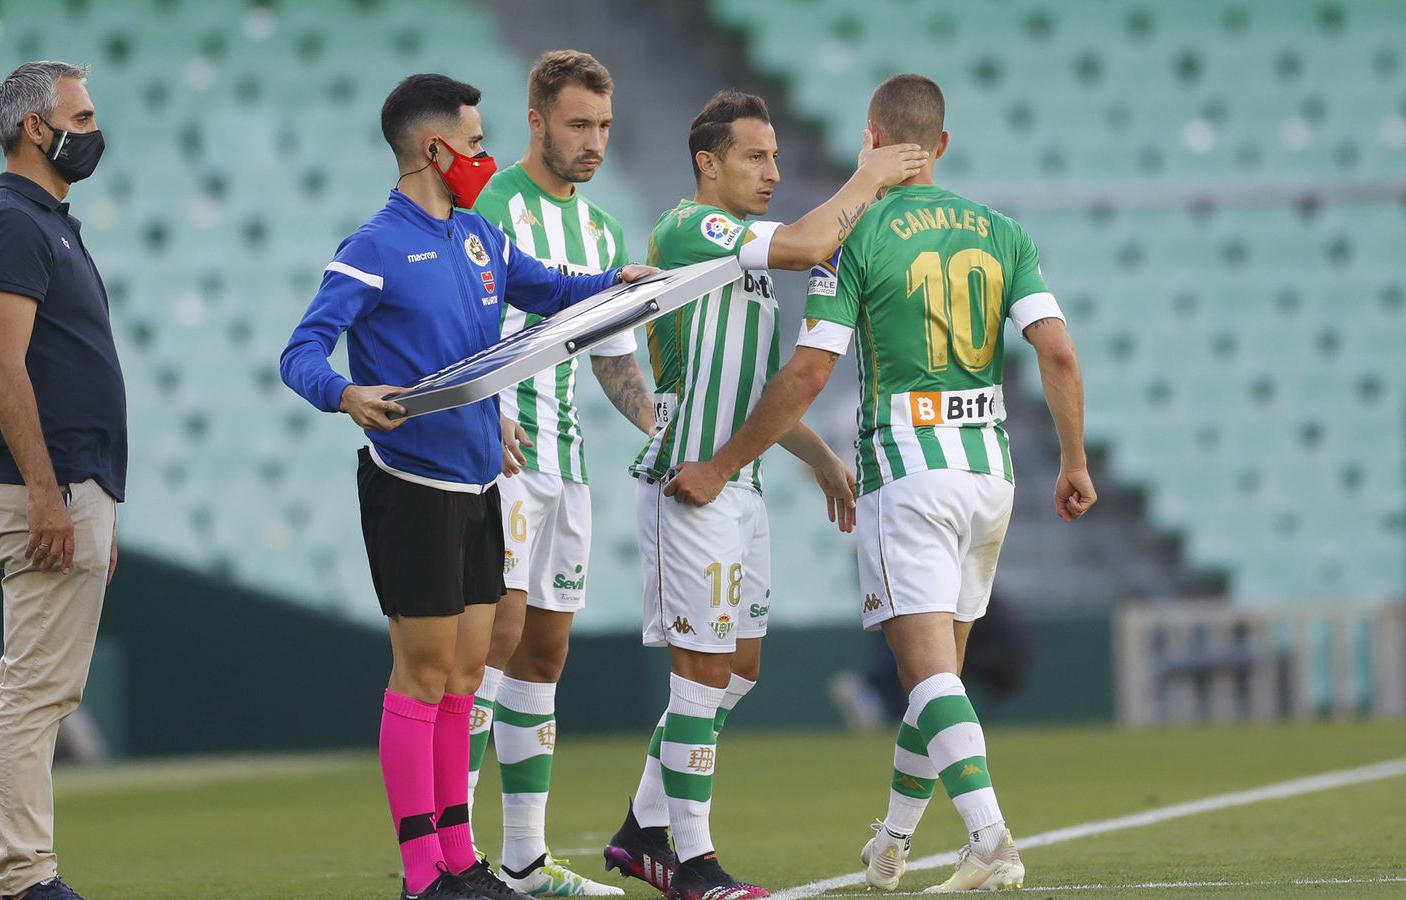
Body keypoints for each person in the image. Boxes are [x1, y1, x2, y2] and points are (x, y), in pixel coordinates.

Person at [663, 73, 1098, 893]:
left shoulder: (854, 237)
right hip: (989, 474)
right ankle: (892, 842)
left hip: (909, 467)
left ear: (872, 139)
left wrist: (724, 461)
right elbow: (1060, 352)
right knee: (940, 682)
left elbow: (808, 373)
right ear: (939, 145)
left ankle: (990, 838)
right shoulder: (1002, 231)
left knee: (928, 677)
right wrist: (1074, 462)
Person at [278, 73, 657, 900]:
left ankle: (461, 859)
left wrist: (619, 284)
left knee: (463, 676)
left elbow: (552, 290)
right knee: (421, 675)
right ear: (433, 148)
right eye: (476, 145)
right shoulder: (373, 246)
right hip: (409, 480)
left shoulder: (481, 238)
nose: (485, 158)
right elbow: (302, 351)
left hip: (481, 478)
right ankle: (423, 874)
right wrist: (344, 394)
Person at [601, 90, 927, 899]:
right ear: (708, 163)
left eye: (777, 156)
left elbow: (752, 389)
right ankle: (694, 864)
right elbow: (815, 239)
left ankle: (643, 828)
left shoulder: (740, 259)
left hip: (737, 484)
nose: (773, 172)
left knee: (737, 671)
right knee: (701, 676)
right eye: (756, 156)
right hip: (693, 483)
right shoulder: (690, 228)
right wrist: (867, 177)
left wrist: (815, 457)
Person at [466, 50, 651, 897]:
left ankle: (525, 861)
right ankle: (454, 863)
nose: (594, 142)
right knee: (491, 644)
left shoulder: (604, 234)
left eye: (604, 127)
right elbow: (461, 324)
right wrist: (484, 409)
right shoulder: (489, 204)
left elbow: (615, 360)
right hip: (501, 454)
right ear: (536, 121)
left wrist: (659, 428)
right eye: (579, 124)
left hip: (568, 463)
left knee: (544, 651)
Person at [0, 60, 121, 900]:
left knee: (46, 689)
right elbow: (1, 365)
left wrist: (98, 501)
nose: (94, 131)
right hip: (42, 490)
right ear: (36, 126)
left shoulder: (47, 220)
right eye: (82, 115)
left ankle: (22, 874)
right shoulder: (15, 224)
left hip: (73, 485)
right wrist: (52, 495)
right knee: (33, 691)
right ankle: (25, 878)